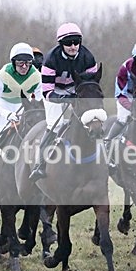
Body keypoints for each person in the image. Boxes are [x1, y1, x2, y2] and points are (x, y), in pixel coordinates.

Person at [29, 22, 99, 181]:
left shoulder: (88, 57)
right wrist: (65, 98)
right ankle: (40, 164)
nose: (73, 46)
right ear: (61, 44)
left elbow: (92, 86)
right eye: (68, 43)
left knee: (93, 120)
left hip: (77, 89)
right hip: (54, 91)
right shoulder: (50, 59)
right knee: (55, 125)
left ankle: (104, 159)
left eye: (76, 42)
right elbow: (47, 92)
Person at [0, 42, 41, 182]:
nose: (24, 67)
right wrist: (7, 114)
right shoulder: (3, 74)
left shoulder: (37, 76)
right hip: (4, 108)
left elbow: (39, 99)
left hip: (26, 109)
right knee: (0, 130)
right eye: (20, 63)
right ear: (13, 62)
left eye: (28, 63)